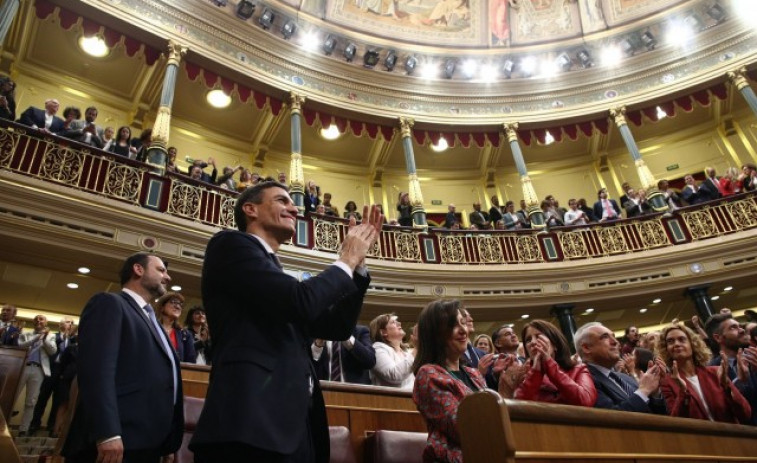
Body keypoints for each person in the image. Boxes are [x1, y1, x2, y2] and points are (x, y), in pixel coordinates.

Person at [189, 182, 381, 463]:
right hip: (248, 424)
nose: (294, 208)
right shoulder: (230, 245)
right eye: (282, 201)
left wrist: (358, 266)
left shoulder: (276, 276)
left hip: (294, 428)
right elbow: (300, 301)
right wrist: (346, 259)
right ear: (250, 209)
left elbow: (336, 327)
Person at [62, 252, 184, 463]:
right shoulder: (109, 303)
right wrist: (107, 432)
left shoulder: (151, 318)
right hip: (115, 441)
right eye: (161, 270)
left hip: (148, 442)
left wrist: (167, 439)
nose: (168, 277)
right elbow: (96, 372)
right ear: (138, 269)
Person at [412, 300, 486, 463]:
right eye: (453, 325)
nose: (463, 330)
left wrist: (506, 388)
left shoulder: (474, 374)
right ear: (435, 333)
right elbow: (462, 427)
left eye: (463, 323)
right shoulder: (429, 374)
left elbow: (494, 415)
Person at [658, 324, 751, 423]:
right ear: (666, 349)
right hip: (698, 437)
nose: (676, 344)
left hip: (729, 435)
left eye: (682, 339)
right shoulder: (667, 382)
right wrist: (683, 392)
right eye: (670, 341)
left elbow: (745, 413)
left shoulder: (715, 372)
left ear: (692, 344)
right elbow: (677, 422)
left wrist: (726, 386)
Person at [574, 322, 667, 414]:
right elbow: (609, 418)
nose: (615, 342)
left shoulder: (625, 378)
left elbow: (659, 415)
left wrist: (654, 393)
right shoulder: (584, 381)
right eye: (605, 337)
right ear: (586, 348)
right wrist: (644, 391)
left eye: (613, 336)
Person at [510, 319, 597, 407]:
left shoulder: (578, 369)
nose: (533, 342)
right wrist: (536, 372)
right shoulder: (522, 375)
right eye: (528, 340)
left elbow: (585, 401)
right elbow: (518, 407)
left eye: (539, 337)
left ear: (555, 345)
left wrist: (549, 364)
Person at [15, 315, 57, 437]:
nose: (38, 321)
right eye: (36, 319)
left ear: (46, 322)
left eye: (41, 319)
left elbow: (53, 351)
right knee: (13, 396)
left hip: (39, 370)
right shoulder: (26, 334)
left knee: (31, 401)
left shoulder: (51, 336)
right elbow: (20, 346)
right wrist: (36, 338)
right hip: (23, 367)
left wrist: (44, 339)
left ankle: (24, 428)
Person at [311, 324, 376, 385]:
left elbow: (370, 361)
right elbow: (308, 367)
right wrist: (318, 344)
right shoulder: (314, 332)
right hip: (323, 392)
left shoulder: (360, 331)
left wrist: (345, 336)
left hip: (354, 393)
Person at [369, 313, 415, 390]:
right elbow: (394, 375)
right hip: (391, 400)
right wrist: (417, 349)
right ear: (383, 332)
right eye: (393, 322)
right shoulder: (378, 349)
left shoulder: (408, 352)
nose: (399, 323)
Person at [156, 292, 197, 363]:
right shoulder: (151, 328)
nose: (178, 307)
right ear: (162, 307)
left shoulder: (185, 334)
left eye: (180, 304)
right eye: (173, 302)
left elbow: (191, 362)